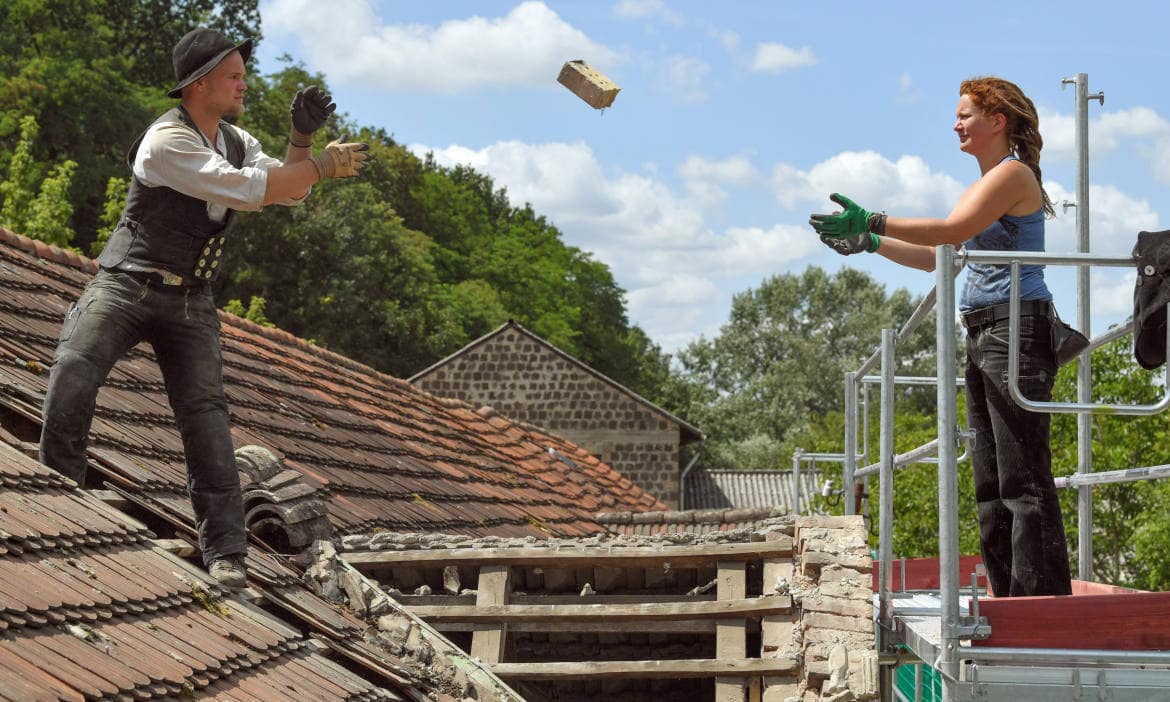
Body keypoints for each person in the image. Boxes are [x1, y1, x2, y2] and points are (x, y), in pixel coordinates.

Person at [38, 27, 369, 589]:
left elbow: (286, 190)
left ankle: (226, 554)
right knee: (75, 366)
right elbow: (247, 191)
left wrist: (301, 140)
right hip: (128, 283)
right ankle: (55, 499)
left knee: (207, 417)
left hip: (191, 297)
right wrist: (319, 166)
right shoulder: (166, 142)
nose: (244, 83)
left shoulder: (236, 140)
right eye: (234, 76)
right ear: (198, 84)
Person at [809, 76, 1072, 597]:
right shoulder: (981, 188)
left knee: (1022, 478)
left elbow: (948, 233)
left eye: (966, 115)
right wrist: (872, 240)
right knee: (991, 485)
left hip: (1015, 330)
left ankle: (1041, 609)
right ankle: (1009, 600)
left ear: (997, 122)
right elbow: (940, 257)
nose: (955, 124)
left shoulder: (1014, 173)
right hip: (987, 334)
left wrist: (878, 217)